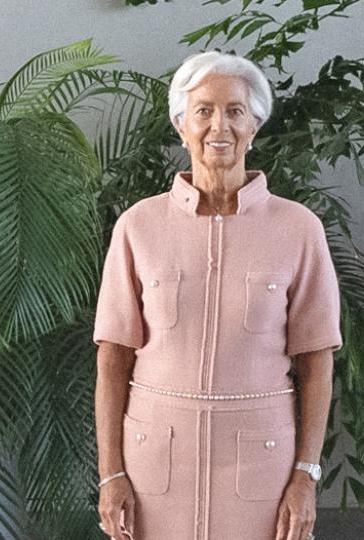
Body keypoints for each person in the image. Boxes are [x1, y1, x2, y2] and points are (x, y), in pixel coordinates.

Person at [93, 52, 342, 540]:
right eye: (204, 110)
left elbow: (316, 363)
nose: (218, 126)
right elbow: (112, 359)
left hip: (260, 465)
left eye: (235, 111)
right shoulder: (138, 226)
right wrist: (110, 473)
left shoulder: (298, 229)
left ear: (255, 125)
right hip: (154, 463)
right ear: (181, 125)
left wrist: (306, 475)